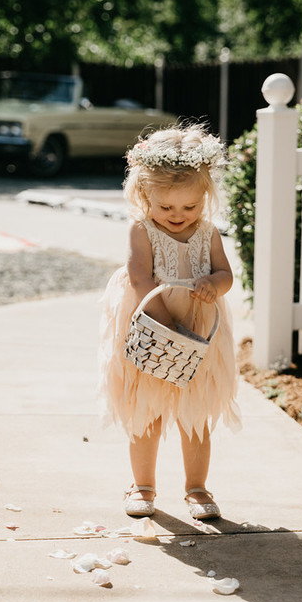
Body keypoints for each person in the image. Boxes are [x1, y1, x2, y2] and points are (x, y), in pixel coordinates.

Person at [98, 124, 241, 521]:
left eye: (190, 207)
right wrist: (166, 329)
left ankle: (197, 488)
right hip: (151, 322)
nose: (179, 216)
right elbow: (141, 279)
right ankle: (142, 485)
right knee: (147, 411)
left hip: (198, 327)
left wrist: (213, 284)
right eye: (167, 207)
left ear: (204, 197)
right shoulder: (141, 231)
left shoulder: (208, 233)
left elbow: (226, 275)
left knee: (195, 415)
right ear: (145, 195)